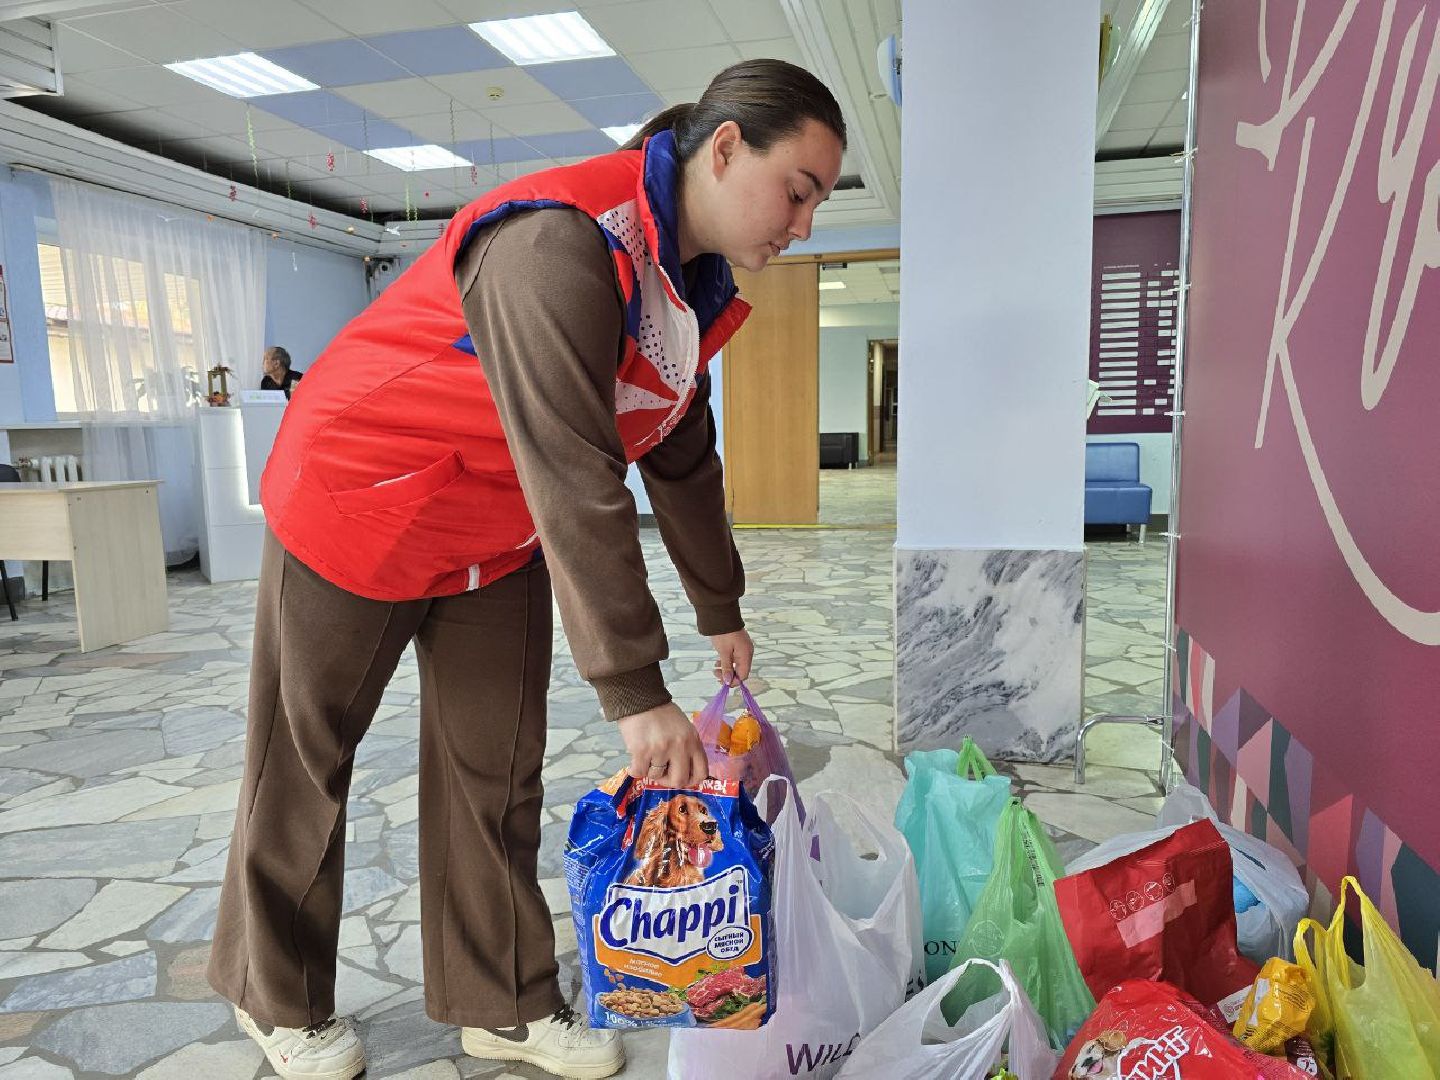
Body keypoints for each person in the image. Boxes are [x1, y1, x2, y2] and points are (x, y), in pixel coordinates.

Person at [207, 59, 845, 1080]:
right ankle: (273, 995)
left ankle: (498, 1000)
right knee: (304, 763)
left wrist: (717, 604)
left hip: (493, 527)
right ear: (726, 148)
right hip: (361, 499)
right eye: (799, 190)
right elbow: (578, 467)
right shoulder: (561, 241)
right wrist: (635, 689)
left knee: (495, 765)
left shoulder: (687, 286)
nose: (804, 222)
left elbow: (677, 446)